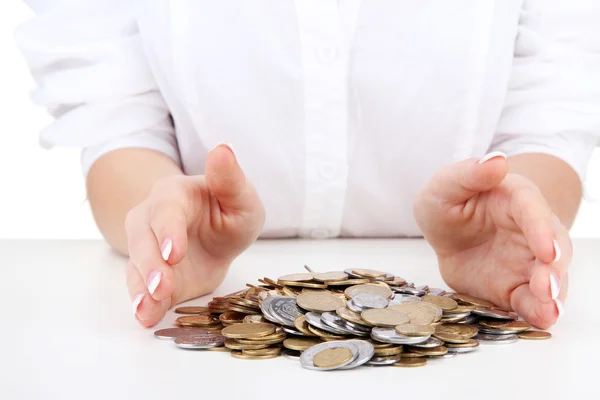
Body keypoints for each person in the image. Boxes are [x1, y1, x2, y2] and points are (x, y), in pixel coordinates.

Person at [16, 1, 600, 330]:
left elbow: (553, 107)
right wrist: (161, 216)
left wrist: (525, 216)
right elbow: (113, 117)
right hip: (202, 302)